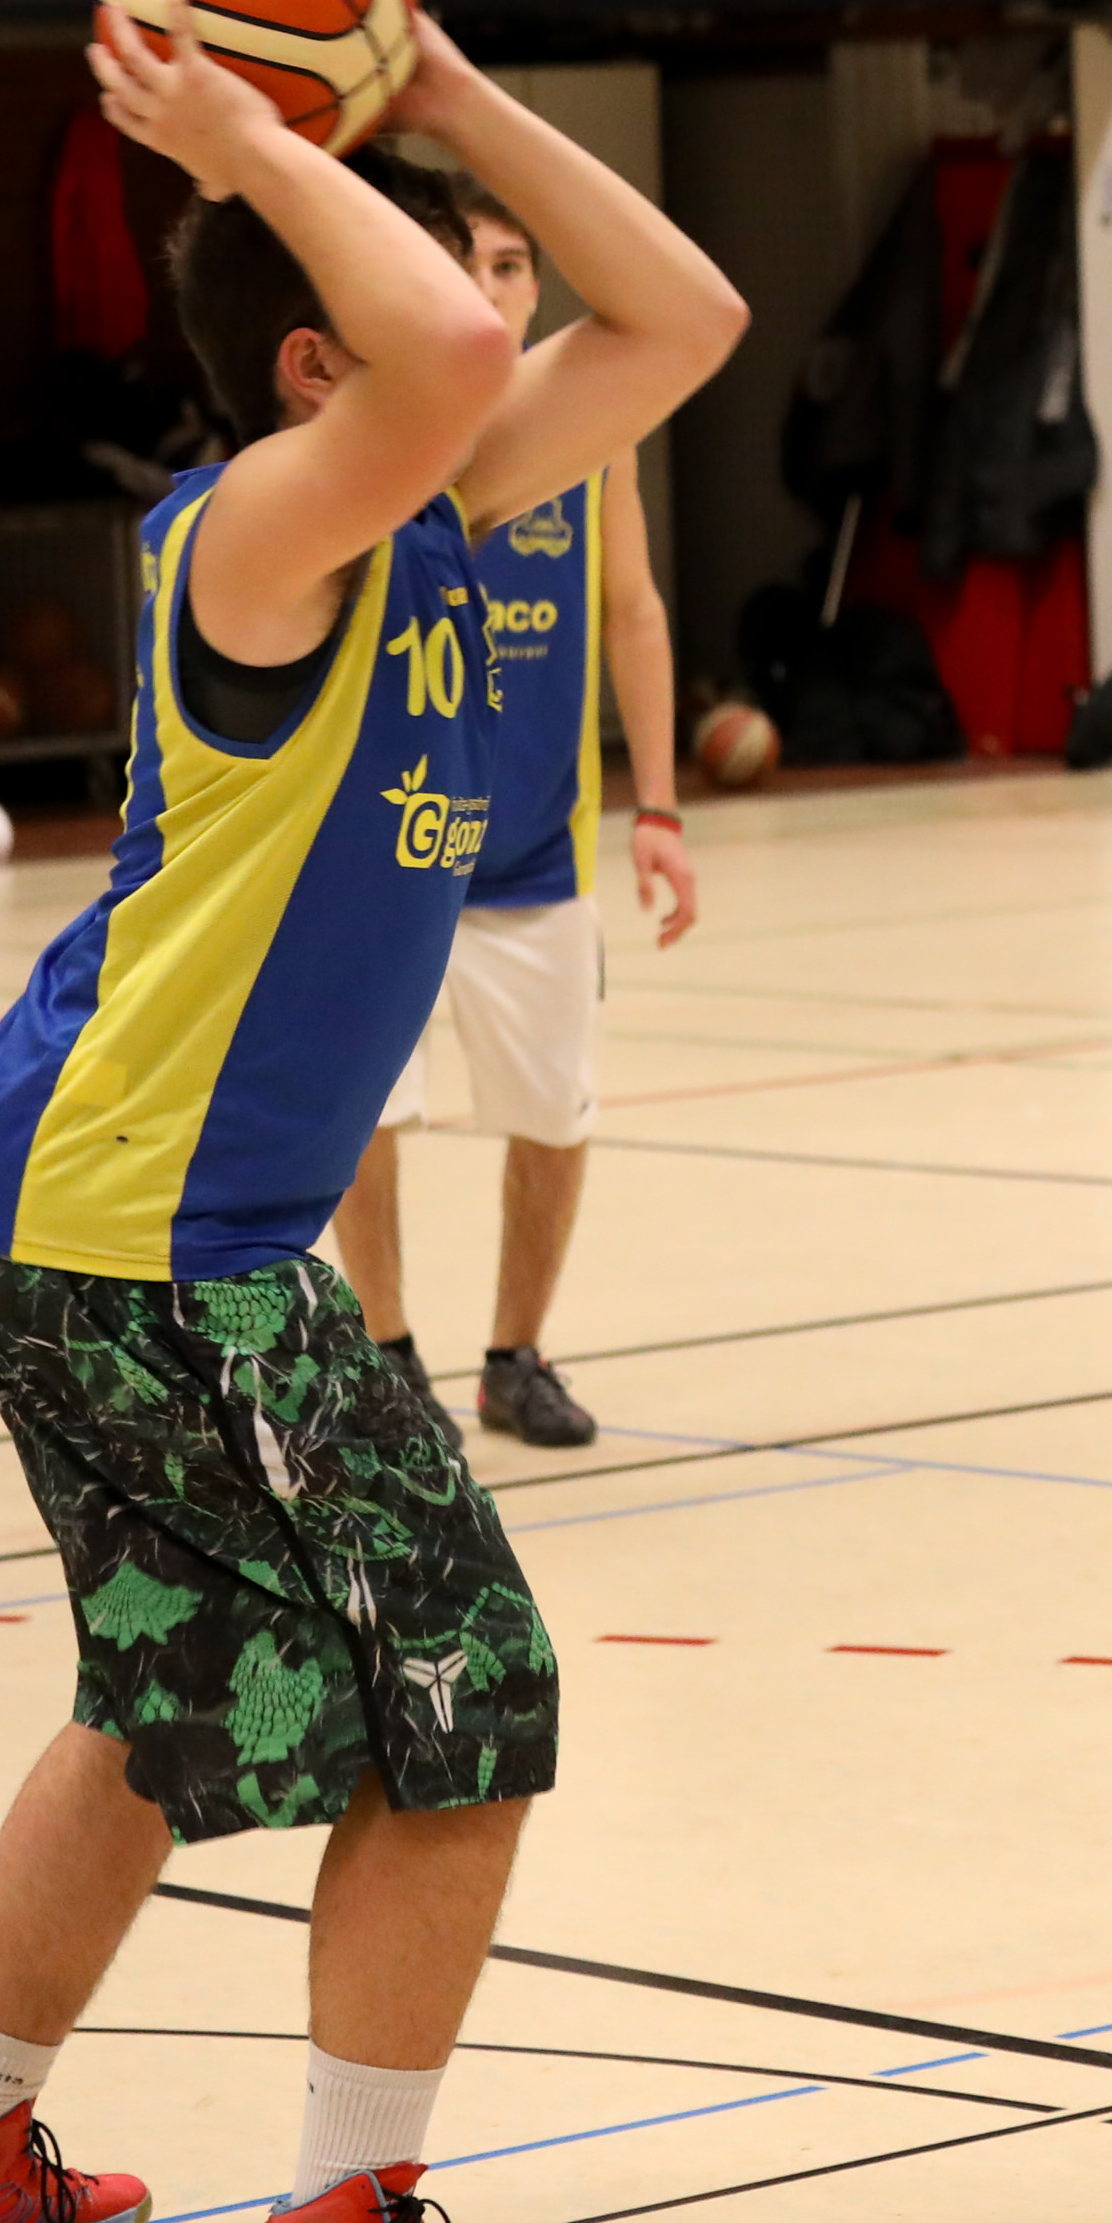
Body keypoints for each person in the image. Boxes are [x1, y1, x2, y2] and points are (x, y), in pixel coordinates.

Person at [0, 0, 743, 2223]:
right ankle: (349, 2201)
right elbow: (447, 350)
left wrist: (440, 91)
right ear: (303, 368)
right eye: (432, 281)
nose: (487, 320)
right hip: (140, 1226)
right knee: (470, 1684)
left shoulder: (447, 502)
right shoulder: (248, 541)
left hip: (122, 1216)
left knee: (166, 1695)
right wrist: (255, 151)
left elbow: (688, 315)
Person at [336, 203, 699, 1451]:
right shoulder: (376, 426)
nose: (489, 286)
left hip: (535, 851)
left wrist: (660, 807)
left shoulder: (592, 437)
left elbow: (633, 612)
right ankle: (386, 1358)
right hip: (386, 852)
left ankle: (515, 1359)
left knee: (555, 1114)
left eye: (510, 267)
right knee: (364, 1113)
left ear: (538, 292)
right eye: (465, 265)